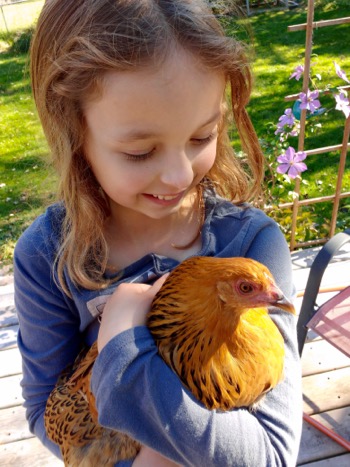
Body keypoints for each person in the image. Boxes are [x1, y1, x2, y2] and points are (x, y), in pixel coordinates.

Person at [14, 1, 302, 466]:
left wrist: (124, 342)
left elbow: (270, 456)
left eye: (201, 137)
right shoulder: (47, 256)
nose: (177, 175)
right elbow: (46, 413)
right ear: (74, 131)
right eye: (140, 152)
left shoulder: (251, 246)